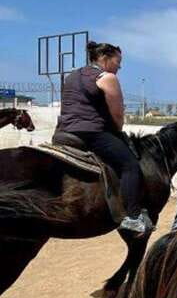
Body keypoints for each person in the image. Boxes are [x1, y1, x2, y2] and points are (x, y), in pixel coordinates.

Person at [57, 40, 152, 236]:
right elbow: (117, 116)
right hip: (91, 133)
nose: (119, 67)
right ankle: (133, 218)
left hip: (62, 132)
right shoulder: (107, 77)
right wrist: (118, 132)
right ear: (104, 58)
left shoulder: (72, 75)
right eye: (118, 61)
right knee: (130, 165)